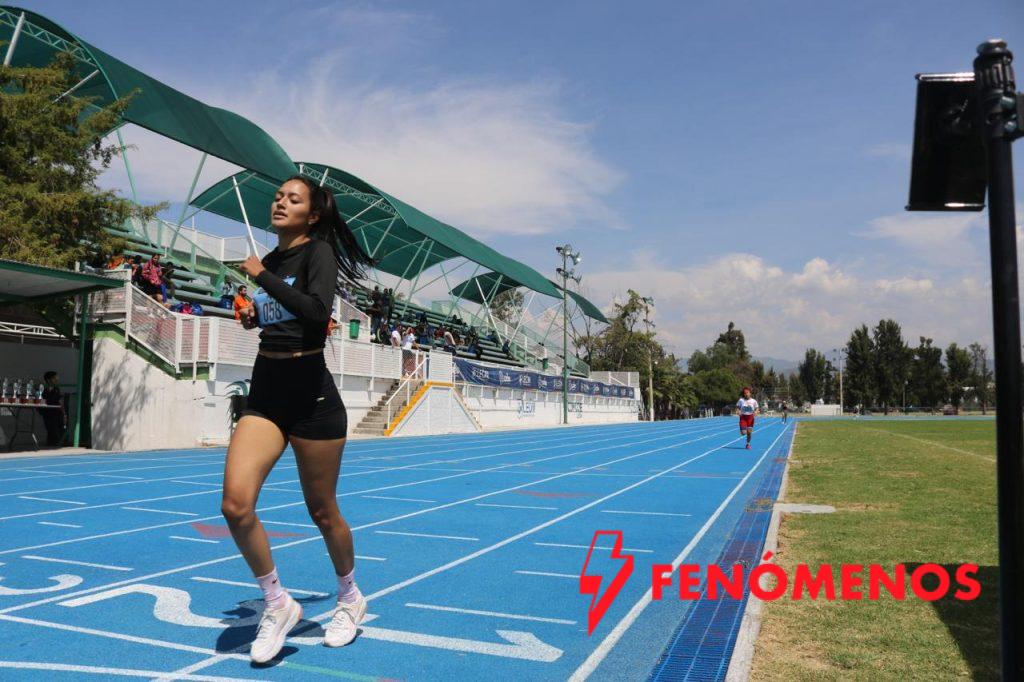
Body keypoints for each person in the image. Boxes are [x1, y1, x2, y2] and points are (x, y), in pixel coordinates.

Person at [227, 175, 373, 663]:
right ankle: (277, 603)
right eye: (277, 197)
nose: (280, 203)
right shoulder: (270, 261)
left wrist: (261, 279)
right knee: (236, 505)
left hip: (312, 398)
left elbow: (316, 312)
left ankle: (350, 596)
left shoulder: (317, 254)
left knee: (322, 510)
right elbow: (282, 313)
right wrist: (255, 314)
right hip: (266, 393)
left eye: (292, 199)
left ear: (311, 215)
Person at [40, 371, 65, 447]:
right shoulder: (43, 390)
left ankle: (55, 445)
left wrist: (63, 413)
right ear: (48, 380)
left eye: (57, 378)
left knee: (58, 431)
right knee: (51, 430)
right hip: (48, 414)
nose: (57, 380)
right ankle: (51, 444)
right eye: (54, 378)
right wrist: (43, 412)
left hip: (57, 414)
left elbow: (59, 401)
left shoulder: (57, 390)